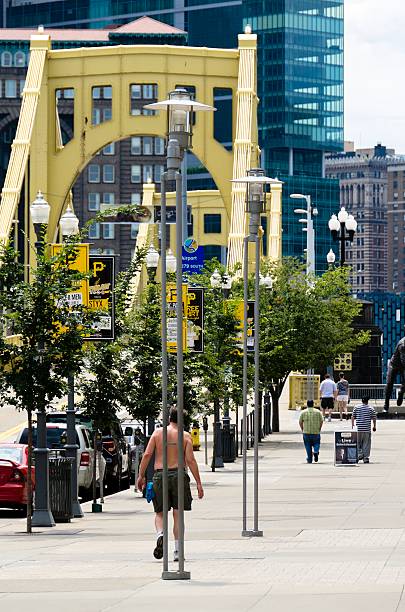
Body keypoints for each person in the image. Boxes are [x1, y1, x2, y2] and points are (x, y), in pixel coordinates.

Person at [136, 407, 204, 562]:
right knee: (178, 514)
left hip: (160, 475)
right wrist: (199, 483)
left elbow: (147, 455)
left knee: (160, 513)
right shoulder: (185, 436)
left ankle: (160, 534)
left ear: (169, 418)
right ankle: (178, 551)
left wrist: (141, 476)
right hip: (179, 474)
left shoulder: (158, 433)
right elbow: (190, 461)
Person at [351, 396, 377, 463]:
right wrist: (374, 426)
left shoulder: (356, 407)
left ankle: (359, 454)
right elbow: (374, 417)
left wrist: (353, 425)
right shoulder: (370, 408)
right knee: (366, 443)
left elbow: (353, 416)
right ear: (367, 401)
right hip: (367, 429)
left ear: (361, 401)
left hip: (358, 429)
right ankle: (365, 458)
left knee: (357, 443)